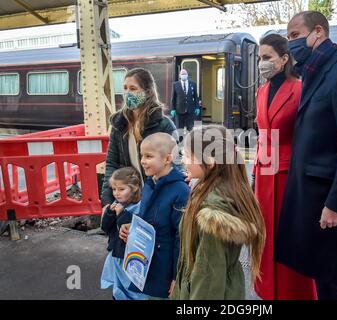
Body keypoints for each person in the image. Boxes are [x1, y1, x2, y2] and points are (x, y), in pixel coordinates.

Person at [275, 11, 337, 300]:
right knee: (322, 276)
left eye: (295, 35)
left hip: (329, 204)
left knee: (336, 281)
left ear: (318, 31)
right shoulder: (315, 73)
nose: (291, 43)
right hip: (312, 199)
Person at [253, 33, 317, 300]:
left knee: (291, 238)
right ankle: (267, 292)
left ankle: (295, 293)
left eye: (267, 58)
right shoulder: (262, 91)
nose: (262, 63)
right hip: (265, 173)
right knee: (265, 238)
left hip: (291, 175)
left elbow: (310, 135)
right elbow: (262, 136)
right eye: (259, 58)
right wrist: (254, 175)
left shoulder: (300, 89)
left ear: (284, 58)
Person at [171, 125, 266, 300]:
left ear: (210, 161)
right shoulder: (223, 191)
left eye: (187, 155)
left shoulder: (211, 214)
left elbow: (207, 277)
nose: (183, 161)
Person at [119, 132, 190, 300]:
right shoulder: (150, 184)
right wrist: (132, 228)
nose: (142, 161)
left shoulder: (181, 192)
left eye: (149, 156)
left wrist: (176, 277)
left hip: (165, 268)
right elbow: (146, 220)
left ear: (167, 159)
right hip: (147, 264)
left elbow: (182, 238)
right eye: (142, 155)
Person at [101, 68, 178, 209]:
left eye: (133, 88)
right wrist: (107, 199)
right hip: (129, 200)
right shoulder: (119, 124)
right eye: (125, 88)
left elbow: (176, 164)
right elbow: (112, 163)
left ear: (147, 92)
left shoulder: (164, 125)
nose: (127, 93)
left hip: (157, 197)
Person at [100, 166, 150, 300]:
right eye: (114, 189)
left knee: (133, 289)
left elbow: (131, 229)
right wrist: (110, 213)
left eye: (121, 189)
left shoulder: (141, 207)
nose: (116, 193)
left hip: (131, 258)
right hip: (116, 255)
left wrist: (122, 213)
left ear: (134, 188)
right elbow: (106, 228)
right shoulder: (116, 203)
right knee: (118, 288)